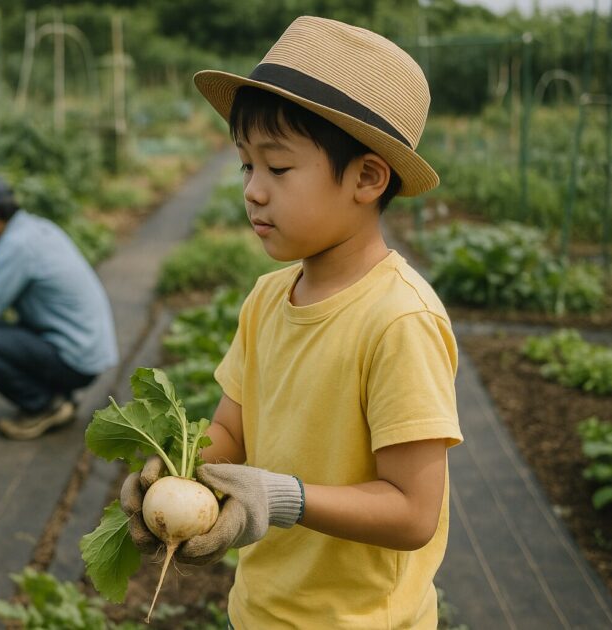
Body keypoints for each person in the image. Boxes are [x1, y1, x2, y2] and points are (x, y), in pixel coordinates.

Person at [121, 16, 463, 629]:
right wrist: (176, 474)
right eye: (245, 166)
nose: (253, 191)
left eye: (277, 169)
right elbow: (232, 431)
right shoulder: (268, 298)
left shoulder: (399, 321)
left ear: (366, 177)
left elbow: (413, 512)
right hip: (260, 609)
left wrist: (281, 498)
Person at [0, 174, 118, 440]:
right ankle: (58, 397)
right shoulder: (35, 228)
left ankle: (43, 406)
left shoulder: (17, 244)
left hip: (76, 359)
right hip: (86, 349)